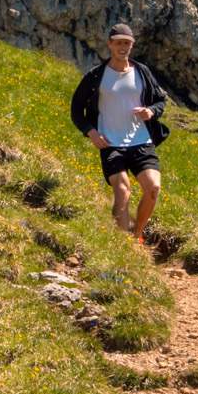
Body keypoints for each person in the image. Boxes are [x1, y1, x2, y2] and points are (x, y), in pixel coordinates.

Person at [69, 22, 170, 244]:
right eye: (118, 43)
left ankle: (136, 235)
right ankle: (122, 245)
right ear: (110, 45)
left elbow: (161, 100)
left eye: (127, 43)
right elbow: (76, 109)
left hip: (142, 141)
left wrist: (150, 111)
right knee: (123, 191)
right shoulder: (96, 76)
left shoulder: (142, 72)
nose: (122, 47)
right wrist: (91, 132)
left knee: (153, 188)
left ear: (131, 45)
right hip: (110, 143)